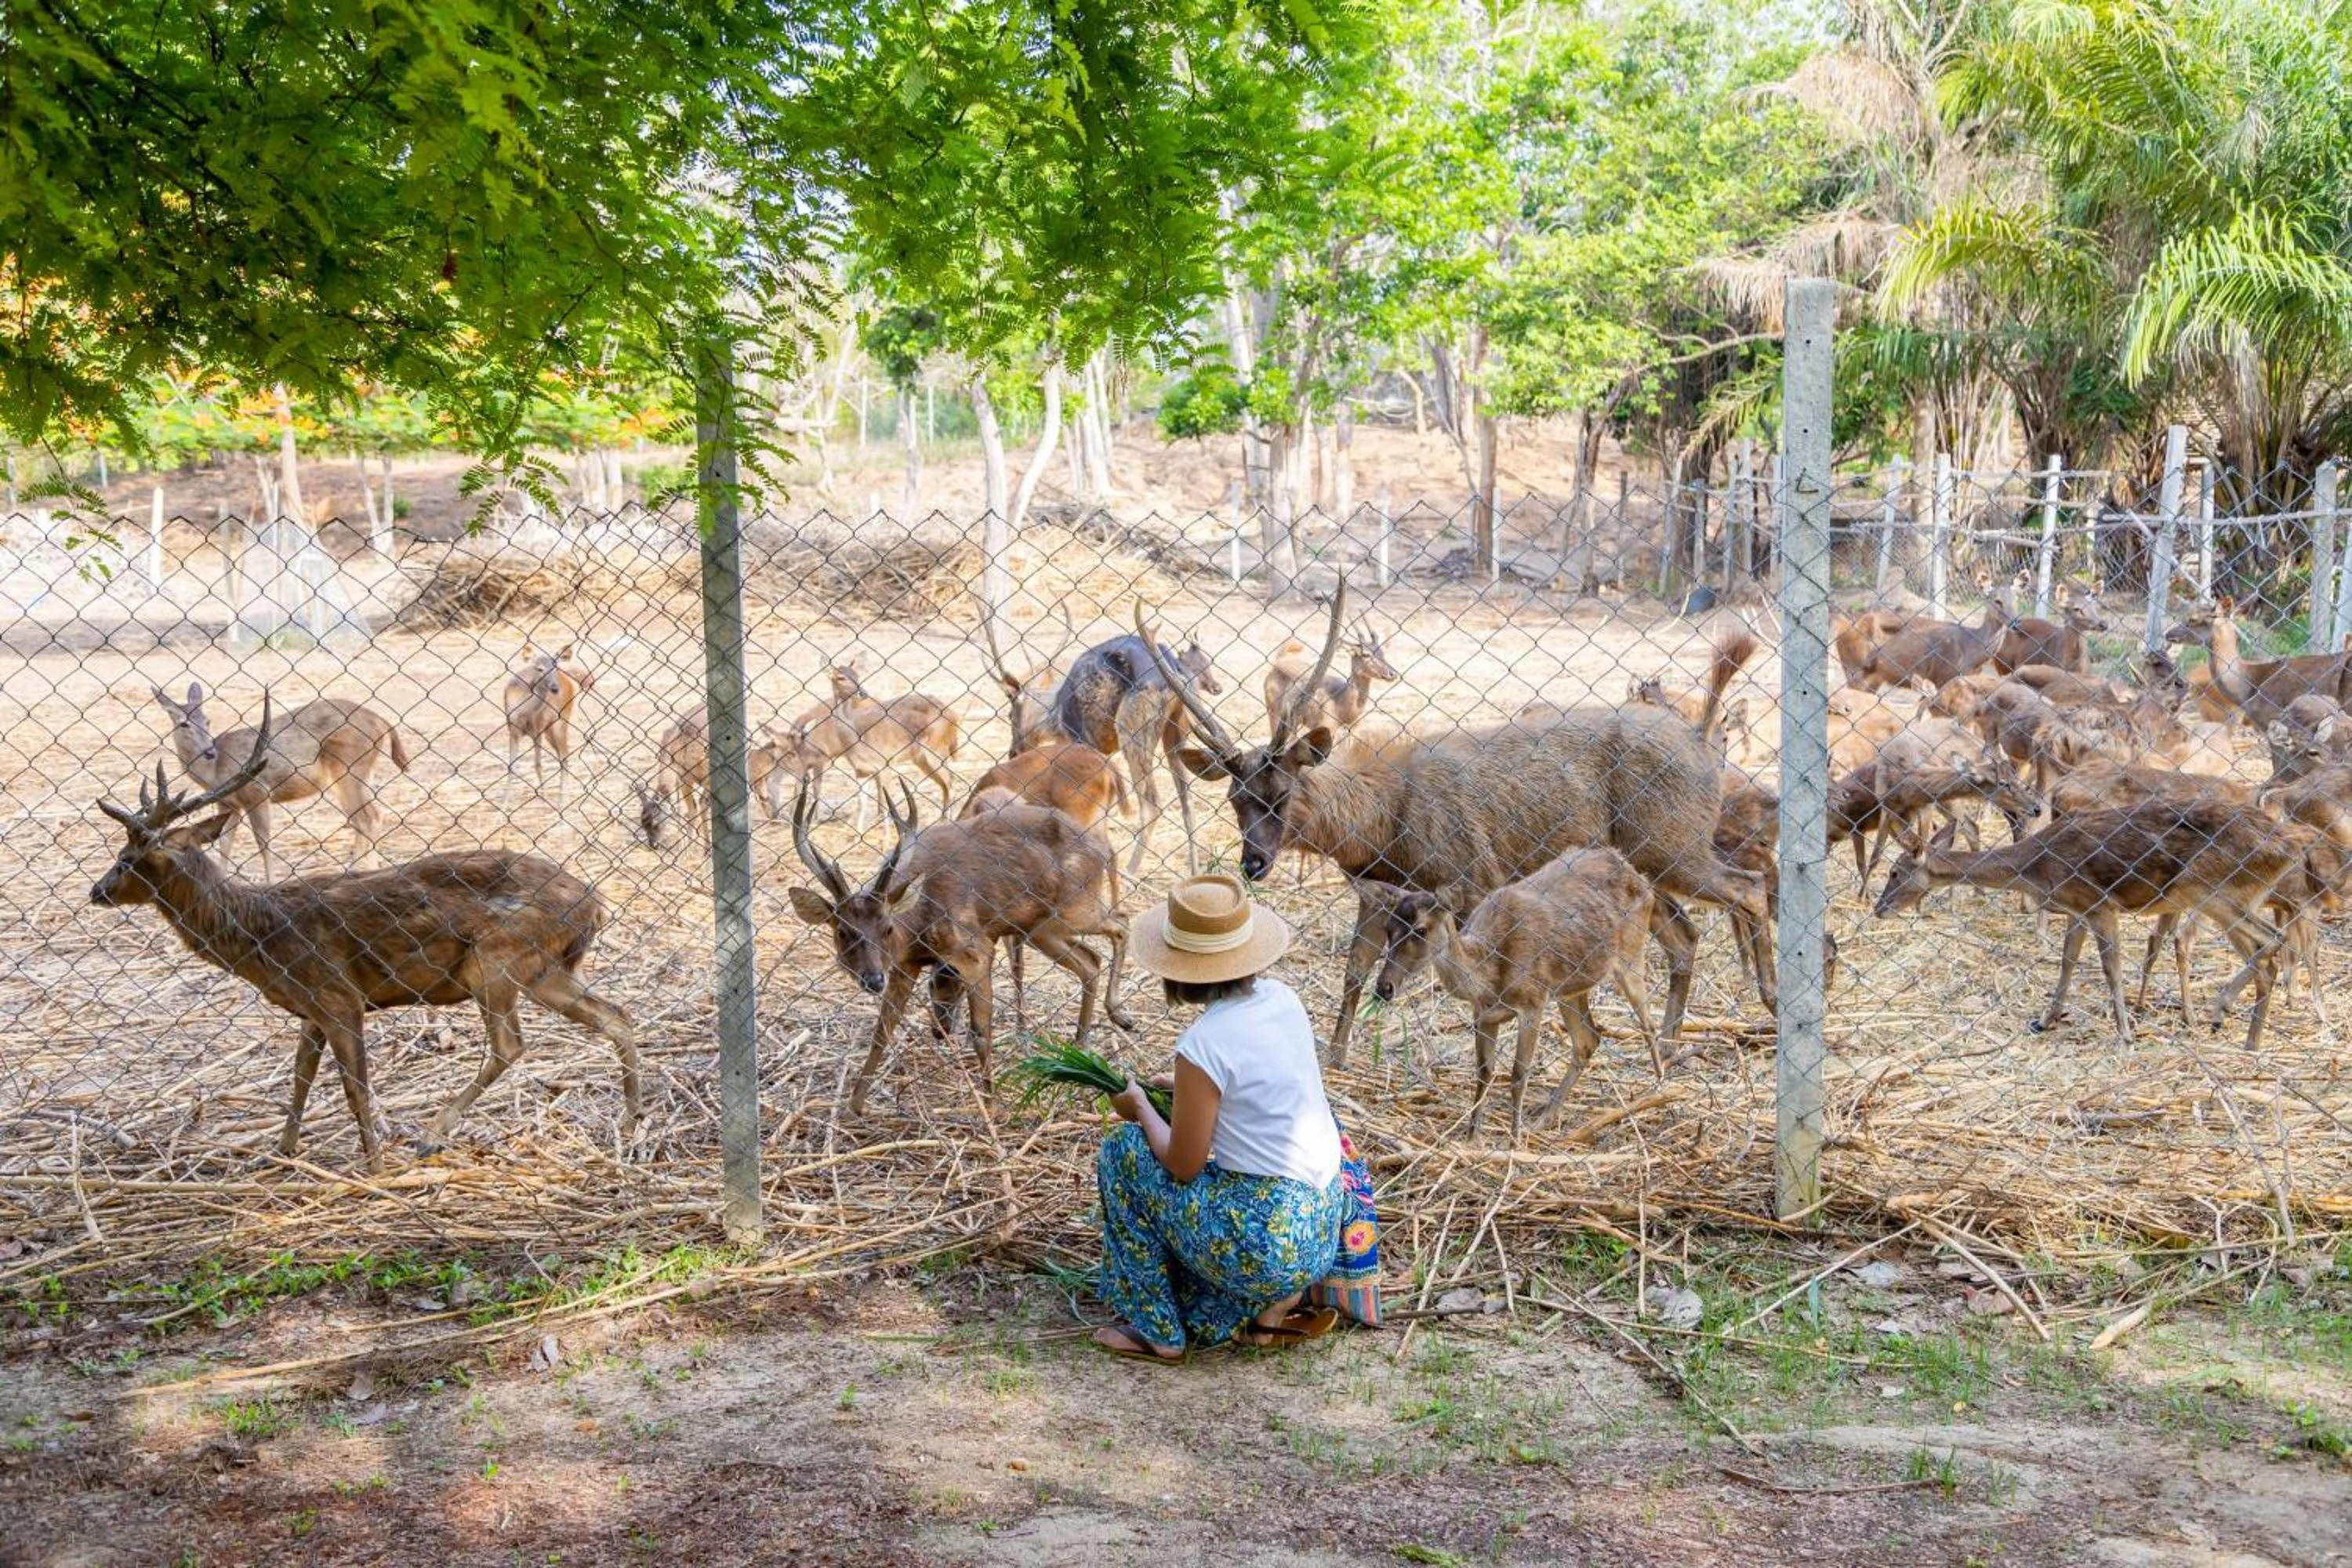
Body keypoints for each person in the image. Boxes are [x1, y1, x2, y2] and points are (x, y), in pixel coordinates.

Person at [1092, 873, 1345, 1362]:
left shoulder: (1203, 1045)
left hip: (1269, 1244)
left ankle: (1157, 1329)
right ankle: (1251, 1308)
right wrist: (1186, 1090)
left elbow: (1183, 1165)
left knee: (1123, 1153)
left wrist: (1141, 1107)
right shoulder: (1282, 1000)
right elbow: (1260, 1085)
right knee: (1227, 1198)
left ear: (1179, 967)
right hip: (1318, 1232)